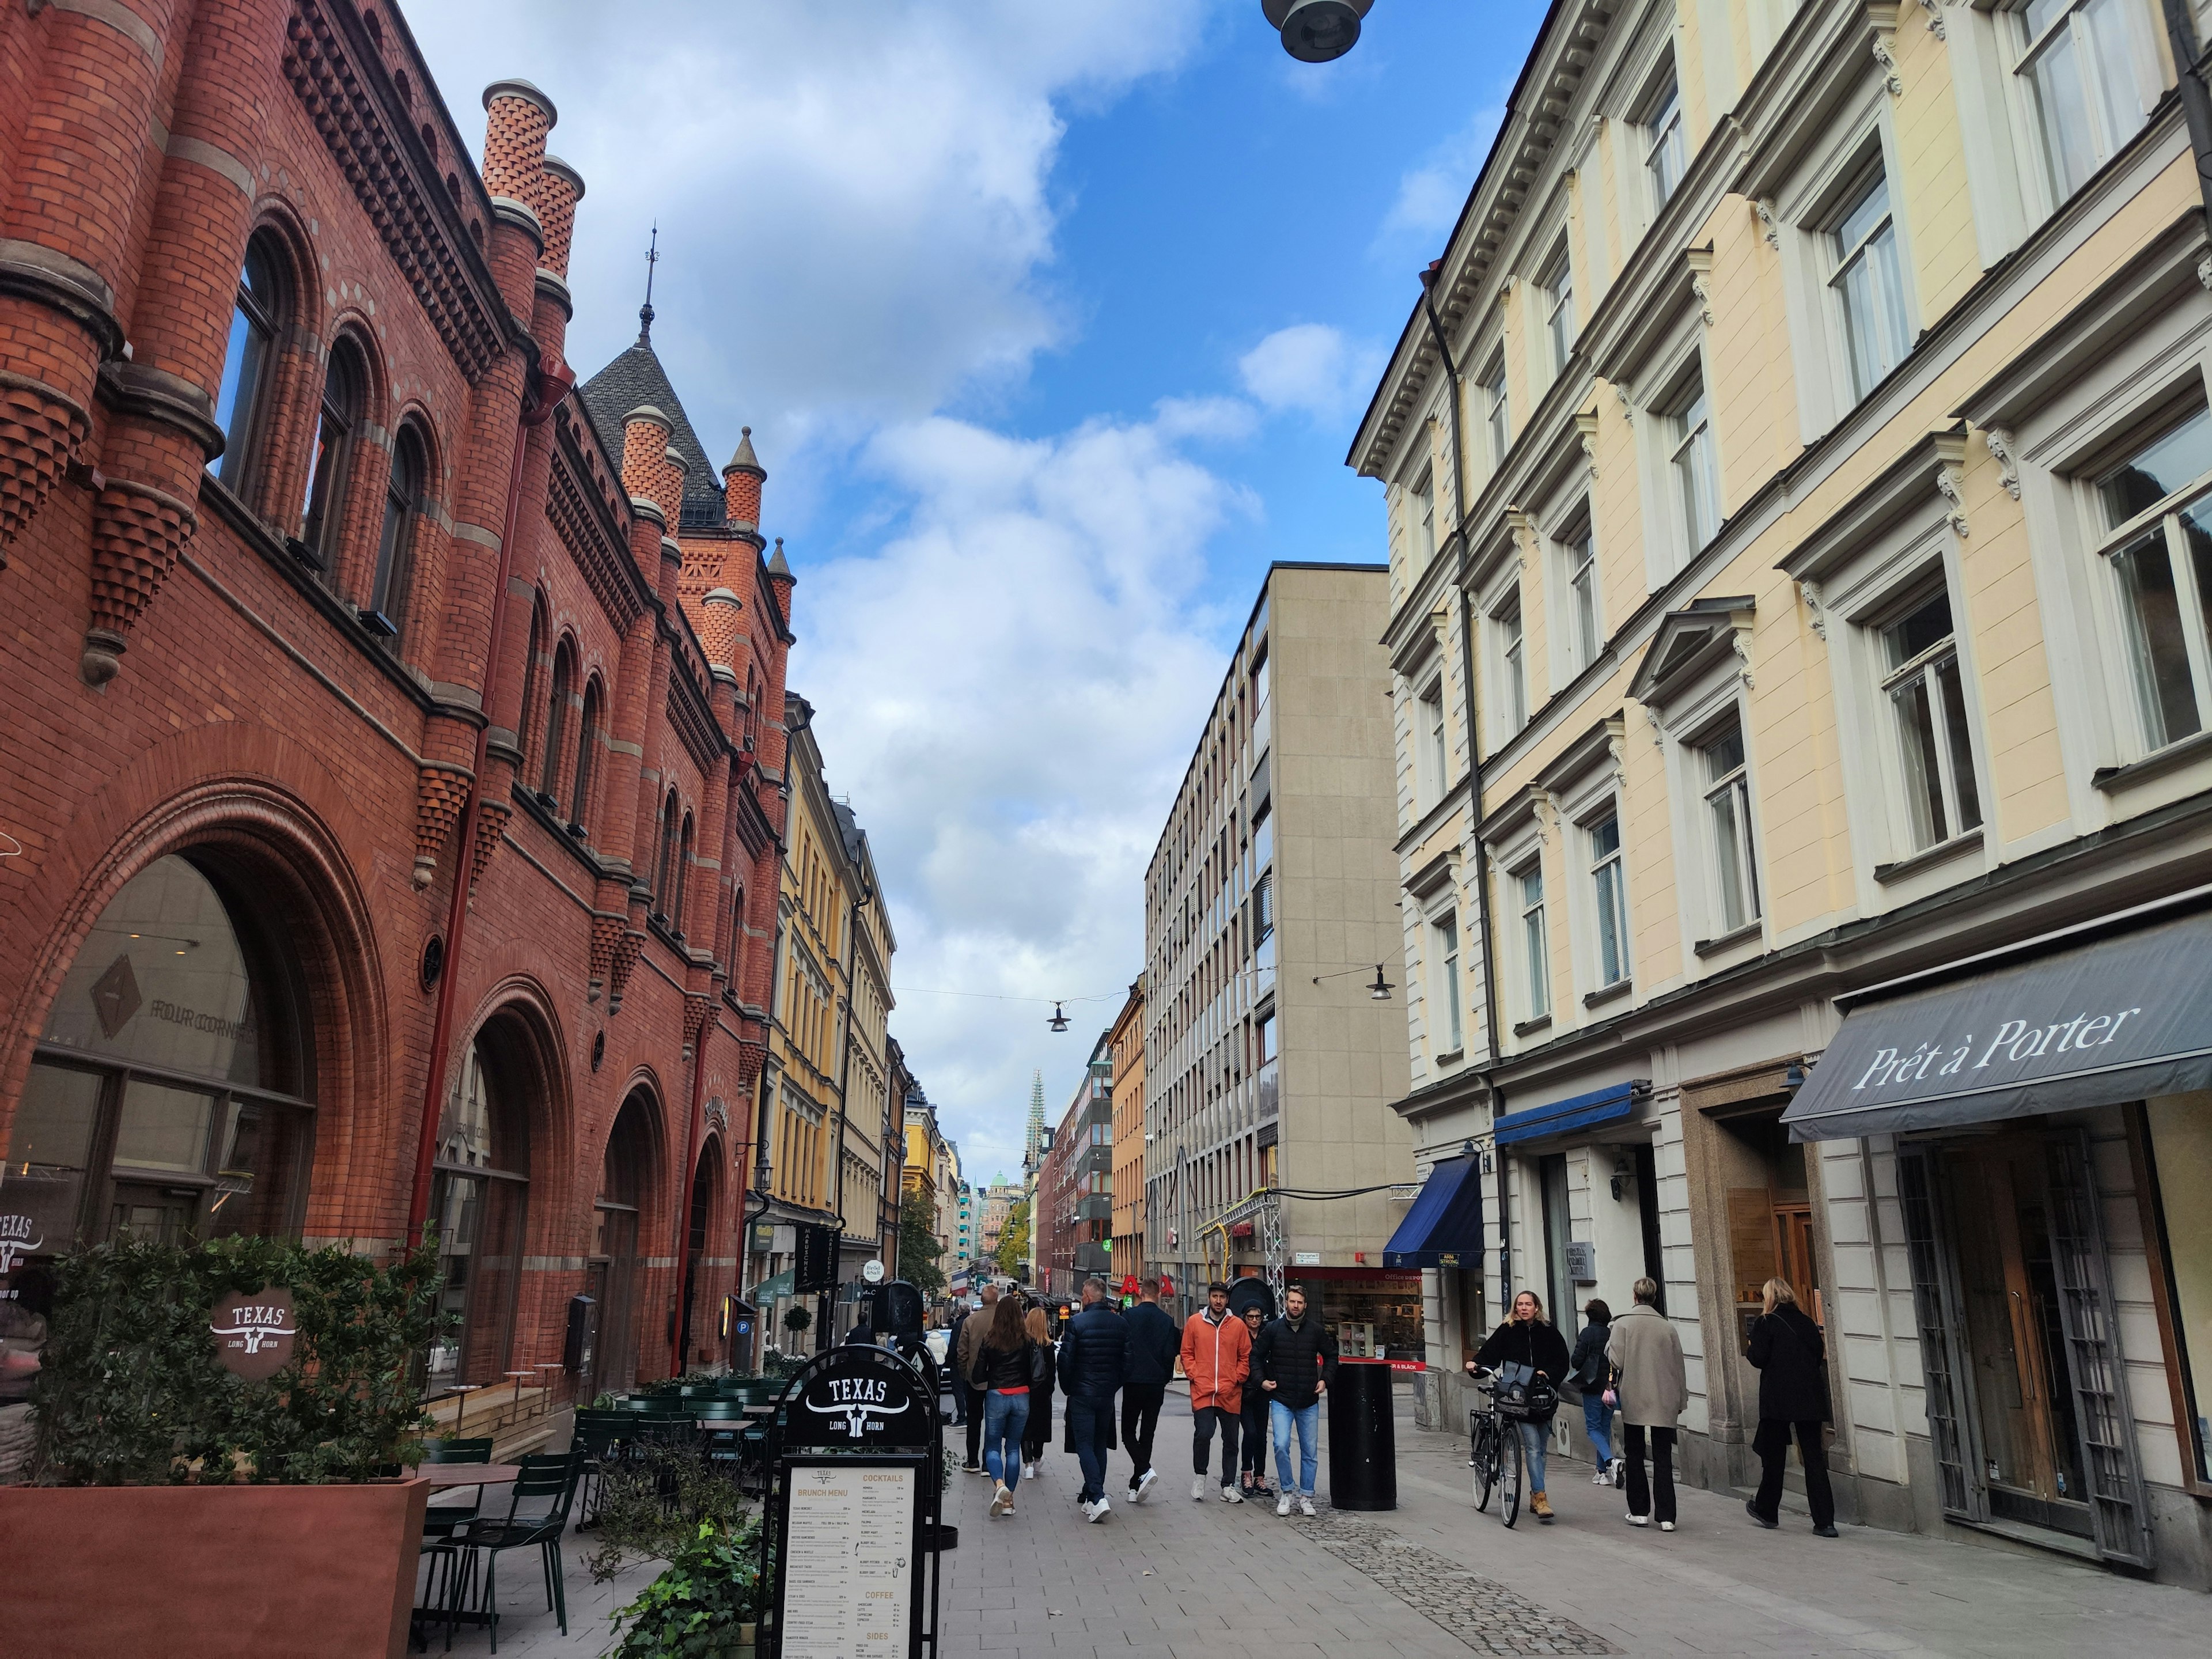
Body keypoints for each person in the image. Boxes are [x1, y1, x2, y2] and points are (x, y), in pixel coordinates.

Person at [1468, 1289, 1572, 1523]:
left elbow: (1563, 1361)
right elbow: (1489, 1354)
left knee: (1543, 1449)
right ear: (1515, 1308)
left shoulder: (1549, 1332)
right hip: (1518, 1396)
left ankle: (1536, 1496)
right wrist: (1476, 1364)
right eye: (1520, 1305)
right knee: (1534, 1447)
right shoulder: (1508, 1331)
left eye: (1528, 1304)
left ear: (1537, 1308)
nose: (1524, 1308)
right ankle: (1542, 1498)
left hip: (1544, 1398)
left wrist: (1550, 1374)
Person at [1745, 1278, 1839, 1538]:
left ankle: (1767, 1509)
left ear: (1770, 1298)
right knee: (1814, 1458)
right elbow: (1817, 1352)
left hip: (1778, 1398)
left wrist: (1753, 1343)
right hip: (1809, 1396)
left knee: (1774, 1457)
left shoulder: (1766, 1323)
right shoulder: (1807, 1322)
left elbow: (1758, 1358)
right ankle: (1825, 1521)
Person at [1607, 1276, 1687, 1532]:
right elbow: (1679, 1366)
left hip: (1635, 1394)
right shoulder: (1668, 1328)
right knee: (1663, 1457)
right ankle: (1667, 1516)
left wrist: (1610, 1343)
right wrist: (1681, 1399)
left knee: (1635, 1454)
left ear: (1634, 1296)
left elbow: (1616, 1360)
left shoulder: (1623, 1324)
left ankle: (1639, 1511)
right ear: (1654, 1298)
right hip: (1664, 1396)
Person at [1251, 1283, 1337, 1516]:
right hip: (1281, 1399)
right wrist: (1262, 1381)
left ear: (1305, 1305)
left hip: (1309, 1401)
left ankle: (1307, 1495)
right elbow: (1255, 1356)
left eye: (1299, 1302)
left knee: (1310, 1451)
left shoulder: (1316, 1331)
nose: (1295, 1306)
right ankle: (1287, 1491)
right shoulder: (1273, 1329)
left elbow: (1331, 1355)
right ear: (1286, 1303)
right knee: (1280, 1445)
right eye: (1292, 1301)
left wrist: (1325, 1380)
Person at [1058, 1275, 1128, 1521]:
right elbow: (1126, 1362)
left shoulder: (1077, 1323)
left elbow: (1065, 1361)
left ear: (1087, 1297)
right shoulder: (1120, 1324)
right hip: (1106, 1395)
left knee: (1085, 1445)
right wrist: (1113, 1385)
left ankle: (1097, 1497)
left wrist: (1069, 1388)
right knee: (1100, 1444)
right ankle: (1092, 1496)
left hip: (1082, 1394)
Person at [1181, 1282, 1251, 1503]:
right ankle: (1200, 1476)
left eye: (1222, 1297)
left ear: (1227, 1300)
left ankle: (1228, 1484)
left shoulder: (1238, 1326)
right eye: (1215, 1296)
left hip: (1230, 1393)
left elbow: (1246, 1356)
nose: (1218, 1301)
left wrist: (1237, 1378)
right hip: (1203, 1391)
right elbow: (1186, 1352)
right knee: (1203, 1434)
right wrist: (1195, 1375)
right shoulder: (1195, 1322)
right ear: (1209, 1298)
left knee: (1231, 1440)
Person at [975, 1294, 1041, 1518]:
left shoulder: (989, 1340)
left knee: (992, 1447)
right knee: (1013, 1447)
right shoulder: (1029, 1340)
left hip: (996, 1395)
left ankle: (1000, 1484)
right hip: (1021, 1395)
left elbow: (977, 1374)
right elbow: (1038, 1373)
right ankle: (1008, 1502)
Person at [1121, 1278, 1178, 1504]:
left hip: (1133, 1382)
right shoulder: (1167, 1321)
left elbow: (1124, 1349)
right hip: (1156, 1383)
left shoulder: (1129, 1317)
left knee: (1127, 1432)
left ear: (1140, 1294)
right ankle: (1137, 1482)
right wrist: (1164, 1378)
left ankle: (1144, 1470)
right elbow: (1169, 1354)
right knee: (1148, 1434)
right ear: (1158, 1295)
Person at [1569, 1298, 1619, 1486]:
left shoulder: (1587, 1333)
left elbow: (1576, 1361)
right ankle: (1602, 1473)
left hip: (1592, 1387)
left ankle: (1610, 1461)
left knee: (1592, 1429)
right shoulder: (1612, 1334)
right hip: (1611, 1387)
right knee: (1604, 1428)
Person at [955, 1284, 1001, 1471]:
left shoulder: (971, 1321)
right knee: (993, 1423)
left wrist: (965, 1372)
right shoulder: (1002, 1320)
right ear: (997, 1300)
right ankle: (989, 1464)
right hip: (998, 1380)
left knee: (974, 1421)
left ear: (982, 1299)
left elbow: (961, 1351)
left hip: (974, 1379)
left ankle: (972, 1460)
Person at [1236, 1301, 1273, 1498]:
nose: (1254, 1321)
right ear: (1245, 1318)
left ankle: (1260, 1477)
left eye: (1258, 1317)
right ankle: (1246, 1473)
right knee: (1250, 1432)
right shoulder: (1240, 1334)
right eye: (1250, 1317)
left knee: (1262, 1436)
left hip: (1262, 1391)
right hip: (1244, 1391)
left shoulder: (1267, 1334)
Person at [1019, 1304, 1058, 1477]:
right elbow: (1052, 1373)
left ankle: (1027, 1464)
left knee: (1025, 1427)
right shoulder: (1049, 1346)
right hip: (1042, 1392)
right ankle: (1037, 1458)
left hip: (1025, 1389)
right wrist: (1049, 1389)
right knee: (1040, 1427)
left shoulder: (1022, 1344)